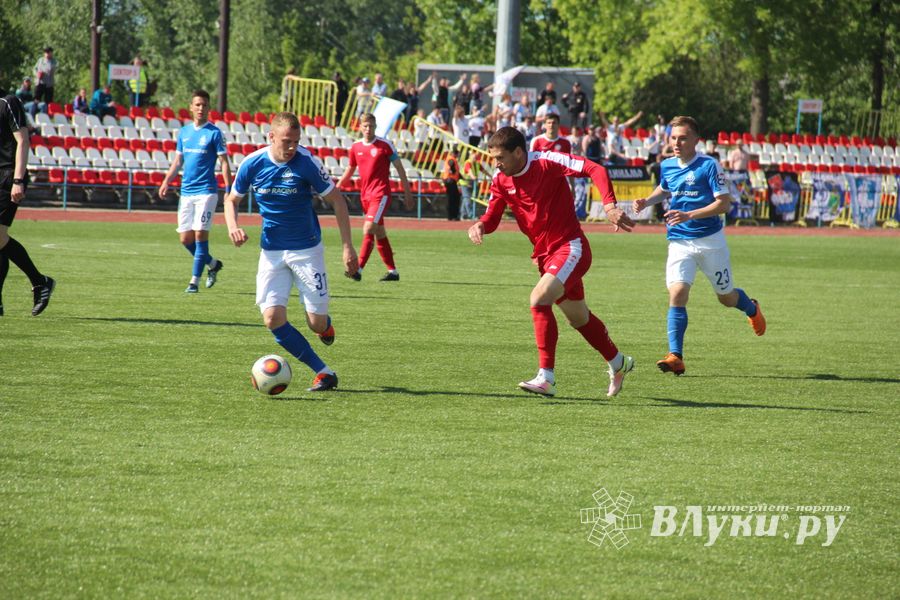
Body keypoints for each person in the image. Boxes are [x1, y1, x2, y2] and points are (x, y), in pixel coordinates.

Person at [467, 126, 636, 398]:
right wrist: (481, 225)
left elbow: (596, 169)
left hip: (571, 247)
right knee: (579, 319)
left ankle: (546, 378)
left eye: (500, 157)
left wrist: (609, 206)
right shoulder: (500, 179)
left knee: (538, 299)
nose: (495, 164)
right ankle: (619, 363)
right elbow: (493, 215)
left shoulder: (547, 161)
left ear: (519, 152)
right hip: (545, 257)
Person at [224, 112, 359, 392]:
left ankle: (325, 326)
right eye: (286, 141)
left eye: (296, 141)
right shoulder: (253, 163)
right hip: (272, 252)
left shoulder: (306, 162)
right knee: (272, 318)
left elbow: (337, 200)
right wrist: (232, 226)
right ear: (271, 137)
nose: (292, 147)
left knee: (316, 323)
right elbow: (231, 199)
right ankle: (324, 372)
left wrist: (347, 246)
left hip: (306, 251)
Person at [631, 116, 766, 377]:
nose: (677, 143)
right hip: (679, 241)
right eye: (673, 138)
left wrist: (689, 214)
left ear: (696, 140)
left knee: (726, 298)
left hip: (710, 242)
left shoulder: (709, 165)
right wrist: (646, 201)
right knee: (677, 293)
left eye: (682, 137)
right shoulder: (667, 165)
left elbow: (724, 204)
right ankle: (676, 356)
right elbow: (666, 188)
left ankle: (751, 307)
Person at [158, 89, 231, 293]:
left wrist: (228, 189)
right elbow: (178, 161)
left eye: (204, 105)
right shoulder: (184, 132)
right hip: (187, 192)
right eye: (197, 104)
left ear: (209, 108)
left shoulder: (215, 133)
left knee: (200, 235)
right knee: (185, 239)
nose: (201, 108)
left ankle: (194, 282)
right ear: (191, 107)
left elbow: (224, 162)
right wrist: (166, 181)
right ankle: (213, 264)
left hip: (206, 191)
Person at [336, 112, 413, 281]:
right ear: (360, 127)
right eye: (365, 126)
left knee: (369, 228)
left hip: (381, 194)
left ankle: (358, 270)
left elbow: (400, 169)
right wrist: (337, 187)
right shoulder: (356, 147)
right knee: (379, 232)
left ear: (375, 126)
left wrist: (407, 192)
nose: (368, 129)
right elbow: (350, 169)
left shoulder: (385, 145)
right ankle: (393, 272)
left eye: (371, 125)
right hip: (366, 196)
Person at [0, 94, 55, 317]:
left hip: (7, 177)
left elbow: (23, 140)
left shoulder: (8, 102)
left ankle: (40, 281)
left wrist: (18, 180)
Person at [442, 148, 461, 220]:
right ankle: (452, 216)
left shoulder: (451, 159)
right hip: (450, 181)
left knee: (454, 198)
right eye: (457, 154)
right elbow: (452, 168)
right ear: (455, 153)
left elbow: (455, 171)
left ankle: (453, 216)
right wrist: (454, 173)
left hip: (450, 180)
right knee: (453, 199)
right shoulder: (452, 159)